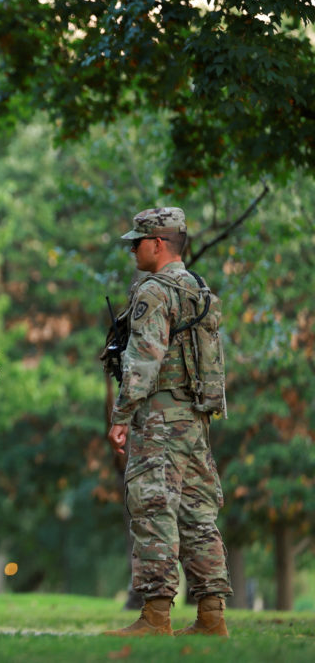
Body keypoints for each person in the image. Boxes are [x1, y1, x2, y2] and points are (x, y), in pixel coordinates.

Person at [105, 207, 232, 637]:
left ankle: (156, 616)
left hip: (158, 418)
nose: (132, 250)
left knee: (153, 508)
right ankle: (212, 616)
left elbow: (143, 361)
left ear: (158, 243)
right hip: (195, 420)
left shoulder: (153, 292)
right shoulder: (202, 291)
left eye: (137, 242)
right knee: (198, 513)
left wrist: (121, 415)